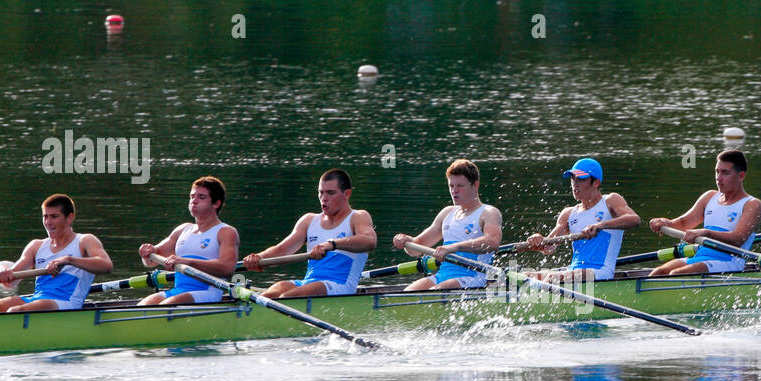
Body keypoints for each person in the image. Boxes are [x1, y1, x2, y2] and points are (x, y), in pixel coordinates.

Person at [243, 169, 377, 297]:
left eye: (330, 193)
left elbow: (370, 241)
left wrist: (331, 244)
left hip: (340, 285)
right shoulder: (309, 220)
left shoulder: (358, 217)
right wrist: (259, 258)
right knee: (273, 291)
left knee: (288, 296)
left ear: (346, 194)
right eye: (321, 192)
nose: (324, 198)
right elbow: (282, 249)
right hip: (309, 283)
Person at [0, 194, 113, 314]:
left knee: (15, 311)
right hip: (38, 299)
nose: (48, 222)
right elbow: (12, 281)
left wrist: (68, 260)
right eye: (45, 216)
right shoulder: (36, 246)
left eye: (54, 217)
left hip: (66, 302)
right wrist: (4, 271)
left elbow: (106, 266)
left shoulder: (85, 241)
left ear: (70, 218)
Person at [391, 159, 502, 291]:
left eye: (460, 186)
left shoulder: (488, 212)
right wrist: (407, 241)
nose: (454, 191)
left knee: (438, 290)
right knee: (408, 292)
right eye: (451, 186)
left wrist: (455, 247)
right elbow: (416, 248)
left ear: (475, 185)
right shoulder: (447, 213)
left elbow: (493, 242)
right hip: (443, 276)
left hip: (476, 277)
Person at [646, 150, 761, 276]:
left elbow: (738, 239)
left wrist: (705, 232)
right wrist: (666, 222)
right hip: (700, 257)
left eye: (725, 173)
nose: (719, 178)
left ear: (741, 176)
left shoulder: (752, 204)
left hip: (730, 262)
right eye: (717, 171)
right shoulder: (709, 197)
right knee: (658, 272)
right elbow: (683, 223)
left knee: (676, 274)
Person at [522, 157, 640, 282]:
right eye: (573, 178)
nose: (575, 184)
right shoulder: (568, 214)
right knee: (525, 276)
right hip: (574, 271)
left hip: (600, 272)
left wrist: (600, 225)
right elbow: (548, 248)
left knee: (552, 278)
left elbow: (634, 219)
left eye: (581, 179)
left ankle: (540, 297)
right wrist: (538, 239)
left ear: (596, 183)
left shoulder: (610, 201)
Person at [137, 177, 239, 306]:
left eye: (201, 197)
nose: (194, 201)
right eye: (192, 197)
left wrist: (187, 262)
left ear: (216, 204)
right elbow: (150, 262)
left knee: (164, 306)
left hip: (207, 292)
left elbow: (227, 268)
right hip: (178, 291)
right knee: (142, 306)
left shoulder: (226, 232)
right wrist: (147, 252)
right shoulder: (182, 230)